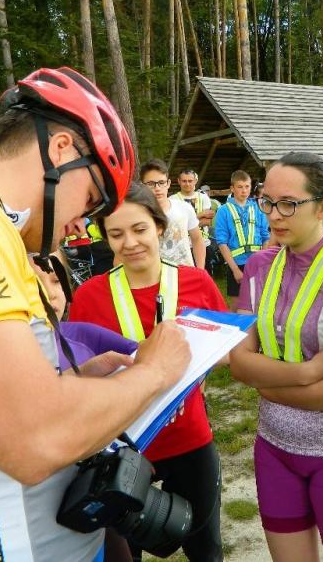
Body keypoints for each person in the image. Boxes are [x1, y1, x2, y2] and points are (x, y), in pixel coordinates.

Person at [0, 67, 191, 561]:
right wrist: (155, 371)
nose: (81, 226)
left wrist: (73, 380)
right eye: (90, 200)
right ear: (61, 150)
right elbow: (33, 439)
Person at [229, 152, 323, 562]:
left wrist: (266, 384)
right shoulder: (258, 267)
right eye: (267, 202)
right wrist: (308, 371)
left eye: (289, 204)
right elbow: (239, 363)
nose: (274, 215)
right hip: (273, 449)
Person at [69, 182, 227, 562]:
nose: (130, 243)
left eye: (139, 229)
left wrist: (192, 360)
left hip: (189, 437)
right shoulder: (89, 296)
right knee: (126, 554)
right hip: (122, 444)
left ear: (159, 226)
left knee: (206, 549)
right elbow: (78, 376)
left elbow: (225, 353)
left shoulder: (197, 282)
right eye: (116, 234)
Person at [214, 170, 270, 309]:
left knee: (258, 303)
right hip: (236, 264)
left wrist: (262, 263)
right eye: (240, 187)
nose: (244, 191)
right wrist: (234, 269)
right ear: (232, 188)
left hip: (257, 262)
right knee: (237, 305)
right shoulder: (223, 211)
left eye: (247, 186)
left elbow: (266, 237)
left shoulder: (258, 208)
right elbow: (222, 242)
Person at [141, 159, 206, 268]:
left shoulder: (184, 208)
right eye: (151, 184)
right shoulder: (138, 215)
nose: (157, 188)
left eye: (161, 183)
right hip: (154, 274)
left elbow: (197, 239)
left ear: (168, 183)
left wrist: (200, 270)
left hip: (185, 273)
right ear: (142, 186)